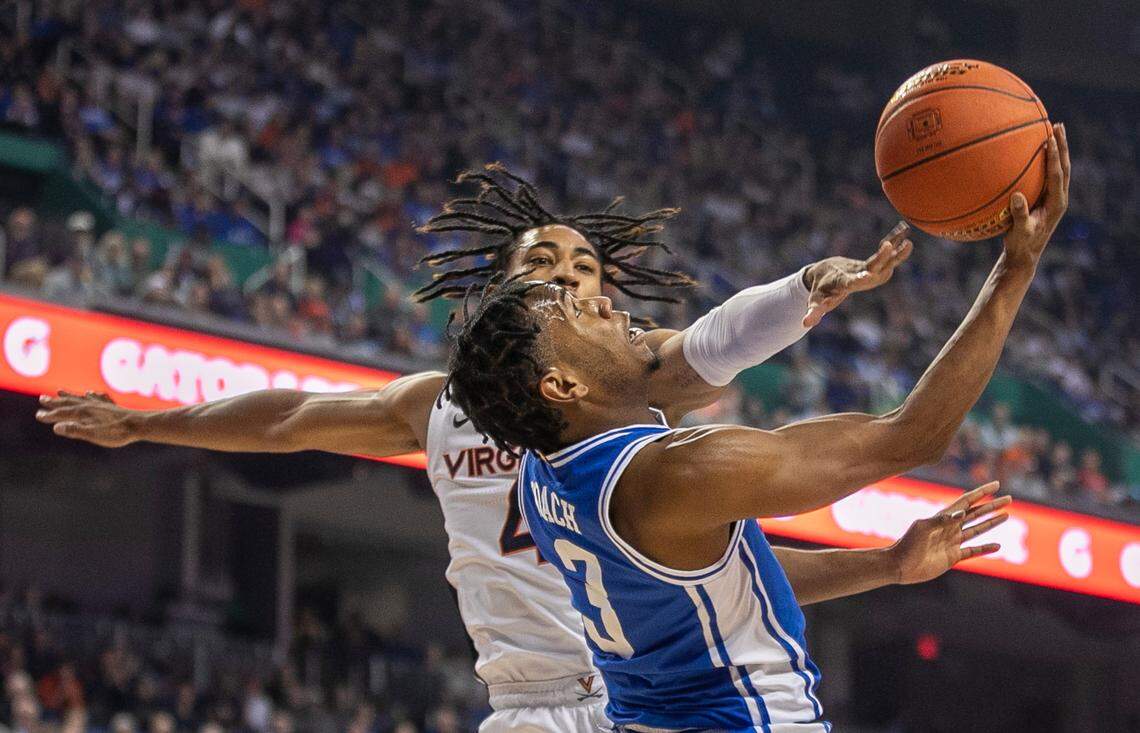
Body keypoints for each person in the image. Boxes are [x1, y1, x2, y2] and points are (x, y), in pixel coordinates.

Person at [42, 164, 988, 732]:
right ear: (503, 287)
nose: (575, 280)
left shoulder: (628, 389)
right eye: (546, 265)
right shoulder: (439, 405)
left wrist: (805, 291)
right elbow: (288, 417)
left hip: (639, 699)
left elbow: (715, 342)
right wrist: (147, 420)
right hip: (533, 701)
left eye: (587, 269)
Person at [442, 126, 1069, 730]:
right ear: (563, 385)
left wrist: (889, 563)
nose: (606, 301)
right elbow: (912, 436)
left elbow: (726, 577)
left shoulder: (539, 472)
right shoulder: (680, 472)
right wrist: (1016, 270)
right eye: (581, 313)